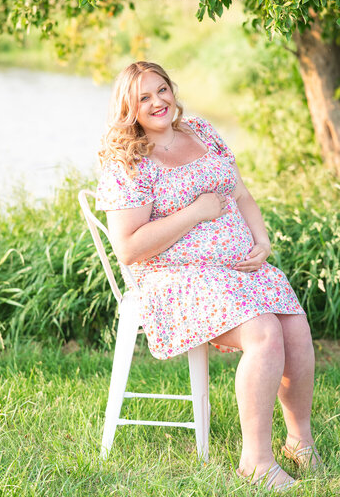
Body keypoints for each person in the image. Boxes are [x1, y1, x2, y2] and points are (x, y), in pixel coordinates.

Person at [96, 61, 322, 491]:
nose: (158, 101)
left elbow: (239, 192)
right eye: (144, 97)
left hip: (236, 269)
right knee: (263, 332)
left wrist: (261, 240)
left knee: (294, 327)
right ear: (129, 107)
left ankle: (300, 441)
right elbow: (128, 247)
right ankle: (255, 461)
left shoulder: (199, 130)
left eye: (162, 89)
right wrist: (196, 212)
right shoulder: (130, 162)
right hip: (176, 278)